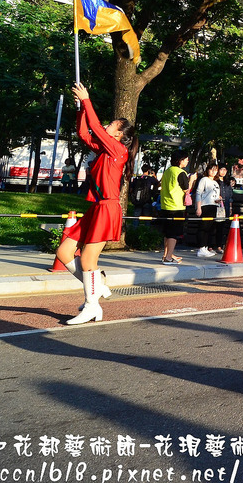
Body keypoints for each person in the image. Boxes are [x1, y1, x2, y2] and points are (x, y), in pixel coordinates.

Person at [53, 83, 138, 324]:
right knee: (64, 251)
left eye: (112, 125)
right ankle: (96, 286)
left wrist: (87, 100)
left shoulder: (118, 150)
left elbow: (96, 128)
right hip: (97, 207)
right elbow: (84, 134)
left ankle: (92, 306)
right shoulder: (104, 149)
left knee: (89, 261)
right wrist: (81, 109)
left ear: (119, 134)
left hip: (108, 208)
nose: (107, 126)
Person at [160, 150, 192, 264]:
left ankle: (166, 254)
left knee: (167, 233)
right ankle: (168, 258)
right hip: (176, 206)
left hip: (165, 205)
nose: (187, 161)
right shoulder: (181, 172)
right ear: (180, 160)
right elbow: (186, 190)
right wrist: (191, 180)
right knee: (173, 234)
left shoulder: (167, 171)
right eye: (186, 159)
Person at [193, 163, 222, 258]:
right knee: (203, 227)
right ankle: (201, 248)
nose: (213, 171)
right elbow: (198, 193)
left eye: (215, 170)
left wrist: (218, 199)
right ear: (208, 170)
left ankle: (205, 247)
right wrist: (198, 207)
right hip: (205, 205)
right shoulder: (204, 179)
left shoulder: (216, 182)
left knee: (209, 228)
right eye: (211, 169)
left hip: (214, 205)